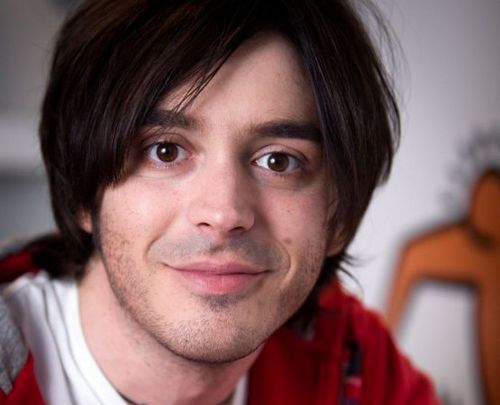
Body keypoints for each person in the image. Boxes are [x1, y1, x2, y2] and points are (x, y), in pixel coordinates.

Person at [0, 0, 441, 404]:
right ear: (84, 189)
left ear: (339, 216)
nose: (224, 213)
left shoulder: (356, 365)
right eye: (165, 151)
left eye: (279, 161)